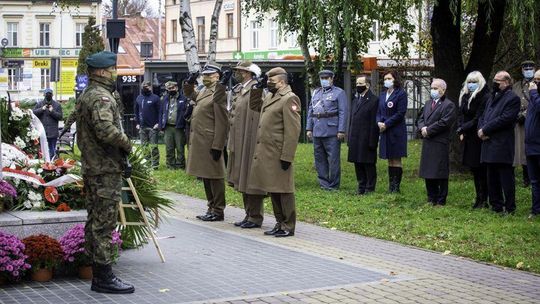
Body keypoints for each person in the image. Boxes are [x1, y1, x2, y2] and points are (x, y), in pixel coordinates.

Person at [76, 51, 134, 293]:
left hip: (94, 168)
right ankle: (103, 277)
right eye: (111, 69)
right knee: (103, 224)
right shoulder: (100, 97)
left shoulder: (87, 94)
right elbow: (106, 131)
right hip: (104, 170)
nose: (114, 73)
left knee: (94, 220)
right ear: (101, 71)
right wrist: (127, 143)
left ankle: (98, 272)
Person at [249, 67, 301, 237]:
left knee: (284, 190)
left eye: (272, 81)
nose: (269, 83)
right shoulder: (271, 96)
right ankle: (280, 222)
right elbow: (255, 106)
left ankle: (288, 225)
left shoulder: (289, 98)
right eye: (268, 81)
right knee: (273, 188)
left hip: (279, 152)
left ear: (282, 81)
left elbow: (293, 131)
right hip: (268, 152)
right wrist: (256, 88)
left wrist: (287, 156)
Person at [183, 63, 229, 222]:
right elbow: (190, 94)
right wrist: (189, 82)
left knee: (215, 176)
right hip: (201, 140)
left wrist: (218, 145)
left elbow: (223, 121)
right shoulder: (204, 90)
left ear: (217, 76)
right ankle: (211, 207)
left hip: (211, 141)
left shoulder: (219, 92)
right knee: (206, 175)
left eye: (209, 75)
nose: (205, 78)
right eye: (204, 75)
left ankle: (218, 210)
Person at [227, 61, 266, 229]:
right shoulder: (240, 89)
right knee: (241, 177)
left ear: (247, 73)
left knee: (250, 177)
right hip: (238, 138)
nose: (237, 73)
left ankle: (255, 216)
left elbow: (258, 111)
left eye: (240, 71)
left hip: (250, 138)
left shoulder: (257, 89)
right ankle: (248, 214)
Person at [478, 71, 520, 215]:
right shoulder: (491, 97)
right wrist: (481, 129)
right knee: (492, 177)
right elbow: (483, 115)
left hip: (502, 143)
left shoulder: (512, 98)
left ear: (507, 82)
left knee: (506, 178)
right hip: (488, 142)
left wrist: (486, 130)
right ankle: (496, 206)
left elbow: (505, 119)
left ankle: (509, 208)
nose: (495, 83)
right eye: (494, 80)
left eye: (498, 81)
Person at [306, 70, 348, 190]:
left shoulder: (339, 93)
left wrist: (341, 130)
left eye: (326, 78)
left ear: (331, 78)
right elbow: (310, 111)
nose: (324, 80)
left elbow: (343, 112)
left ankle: (334, 185)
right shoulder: (316, 93)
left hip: (332, 130)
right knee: (319, 158)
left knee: (333, 159)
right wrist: (309, 128)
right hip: (317, 130)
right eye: (322, 78)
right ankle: (324, 184)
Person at [417, 79, 457, 206]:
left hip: (439, 142)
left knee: (439, 171)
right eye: (432, 87)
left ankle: (441, 199)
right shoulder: (428, 103)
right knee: (428, 170)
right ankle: (431, 197)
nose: (433, 90)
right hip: (428, 141)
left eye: (435, 88)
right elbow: (421, 118)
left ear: (443, 90)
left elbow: (445, 123)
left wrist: (428, 130)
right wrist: (422, 128)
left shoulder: (448, 105)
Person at [457, 71, 490, 208]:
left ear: (480, 82)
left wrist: (463, 128)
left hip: (478, 135)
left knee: (481, 169)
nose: (471, 84)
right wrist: (461, 128)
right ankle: (479, 197)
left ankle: (484, 199)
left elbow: (478, 118)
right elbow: (461, 114)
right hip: (468, 135)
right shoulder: (465, 96)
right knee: (474, 169)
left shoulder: (484, 96)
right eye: (469, 82)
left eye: (474, 82)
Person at [347, 75, 379, 195]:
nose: (358, 86)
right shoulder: (355, 100)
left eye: (361, 84)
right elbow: (352, 120)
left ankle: (370, 188)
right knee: (358, 162)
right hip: (355, 137)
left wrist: (372, 141)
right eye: (357, 83)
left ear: (367, 85)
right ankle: (361, 186)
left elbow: (373, 122)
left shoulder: (374, 100)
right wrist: (349, 137)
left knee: (368, 163)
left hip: (367, 137)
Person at [376, 70, 408, 193]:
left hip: (396, 130)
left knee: (396, 158)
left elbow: (400, 113)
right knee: (389, 158)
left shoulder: (401, 94)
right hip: (384, 130)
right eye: (385, 79)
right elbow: (379, 112)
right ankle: (391, 186)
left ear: (395, 79)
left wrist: (386, 124)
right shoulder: (383, 95)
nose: (386, 81)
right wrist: (379, 122)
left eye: (389, 79)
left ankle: (396, 187)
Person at [514, 61, 536, 187]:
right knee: (522, 149)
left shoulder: (537, 84)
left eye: (530, 68)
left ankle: (534, 177)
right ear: (522, 70)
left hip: (533, 121)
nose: (528, 70)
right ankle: (526, 178)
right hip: (519, 123)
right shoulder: (517, 86)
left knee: (532, 149)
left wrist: (525, 115)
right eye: (525, 68)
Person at [159, 81, 188, 170]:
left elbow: (186, 113)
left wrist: (185, 126)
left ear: (177, 88)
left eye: (173, 88)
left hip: (179, 127)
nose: (171, 90)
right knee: (169, 147)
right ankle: (170, 166)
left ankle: (180, 166)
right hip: (167, 127)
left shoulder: (183, 99)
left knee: (180, 148)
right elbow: (161, 112)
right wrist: (161, 126)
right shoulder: (164, 99)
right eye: (169, 88)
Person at [134, 81, 161, 168]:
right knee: (144, 147)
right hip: (142, 126)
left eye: (147, 86)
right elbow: (136, 112)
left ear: (150, 87)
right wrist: (137, 123)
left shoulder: (155, 98)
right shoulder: (139, 98)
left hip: (153, 126)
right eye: (144, 86)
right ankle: (147, 163)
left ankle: (155, 164)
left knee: (153, 147)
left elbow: (160, 112)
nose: (145, 88)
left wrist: (158, 123)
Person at [525, 70, 540, 219]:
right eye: (534, 80)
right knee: (534, 181)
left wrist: (534, 94)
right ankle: (536, 209)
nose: (534, 83)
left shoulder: (535, 96)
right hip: (531, 146)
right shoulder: (534, 98)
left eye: (538, 80)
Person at [33, 88, 63, 159]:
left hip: (52, 133)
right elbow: (33, 113)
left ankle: (51, 166)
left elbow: (60, 117)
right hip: (41, 132)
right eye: (47, 94)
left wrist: (52, 111)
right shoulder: (39, 104)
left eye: (50, 94)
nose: (48, 95)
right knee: (41, 151)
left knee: (52, 152)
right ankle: (42, 165)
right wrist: (42, 109)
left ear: (52, 95)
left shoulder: (57, 105)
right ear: (44, 95)